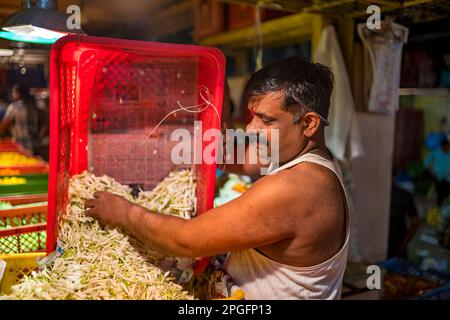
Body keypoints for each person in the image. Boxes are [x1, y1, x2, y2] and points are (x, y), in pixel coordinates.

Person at [85, 56, 350, 299]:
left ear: (309, 123)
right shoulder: (301, 156)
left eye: (266, 121)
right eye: (251, 116)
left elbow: (186, 240)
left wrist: (124, 212)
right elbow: (222, 152)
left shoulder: (298, 187)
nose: (251, 128)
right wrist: (210, 96)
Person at [0, 84, 47, 154]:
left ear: (19, 93)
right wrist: (39, 138)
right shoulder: (35, 106)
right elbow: (45, 125)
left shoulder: (14, 107)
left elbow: (5, 124)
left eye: (14, 92)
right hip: (37, 145)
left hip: (21, 146)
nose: (12, 94)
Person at [388, 182, 420, 258]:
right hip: (397, 243)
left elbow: (415, 223)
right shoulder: (404, 195)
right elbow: (415, 223)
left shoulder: (369, 194)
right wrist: (403, 244)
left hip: (373, 245)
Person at [424, 139, 450, 206]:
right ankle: (439, 206)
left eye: (448, 146)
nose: (447, 148)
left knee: (446, 193)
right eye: (445, 146)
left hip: (447, 177)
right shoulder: (436, 152)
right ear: (442, 146)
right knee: (440, 193)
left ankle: (444, 206)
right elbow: (426, 161)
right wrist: (430, 170)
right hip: (437, 176)